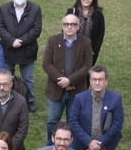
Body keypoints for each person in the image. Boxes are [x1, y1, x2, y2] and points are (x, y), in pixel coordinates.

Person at [40, 13, 93, 141]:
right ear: (62, 26)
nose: (69, 27)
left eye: (73, 24)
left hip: (76, 91)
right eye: (66, 24)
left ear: (78, 27)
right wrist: (61, 80)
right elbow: (46, 64)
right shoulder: (53, 40)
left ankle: (70, 148)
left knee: (73, 123)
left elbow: (87, 66)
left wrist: (69, 80)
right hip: (55, 90)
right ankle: (50, 146)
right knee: (52, 122)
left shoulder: (86, 43)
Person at [69, 65, 124, 150]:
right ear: (90, 81)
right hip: (81, 143)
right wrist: (89, 142)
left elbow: (117, 124)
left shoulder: (115, 99)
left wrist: (100, 142)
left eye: (100, 79)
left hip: (103, 145)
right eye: (94, 79)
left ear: (106, 81)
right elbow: (73, 121)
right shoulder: (79, 98)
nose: (97, 82)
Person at [0, 0, 43, 111]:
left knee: (28, 79)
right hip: (8, 50)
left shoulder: (35, 9)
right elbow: (0, 26)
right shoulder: (4, 8)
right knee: (6, 78)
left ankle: (30, 102)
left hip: (27, 50)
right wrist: (11, 41)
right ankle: (6, 101)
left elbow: (36, 29)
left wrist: (21, 41)